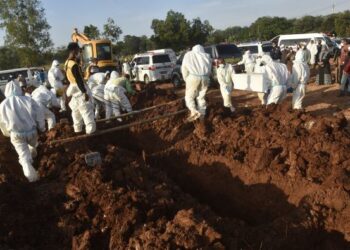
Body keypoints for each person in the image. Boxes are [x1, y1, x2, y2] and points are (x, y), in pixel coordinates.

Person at [0, 81, 45, 182]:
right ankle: (34, 157)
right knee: (33, 146)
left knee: (23, 157)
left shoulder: (2, 105)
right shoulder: (29, 100)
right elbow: (39, 114)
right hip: (32, 132)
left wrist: (7, 134)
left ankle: (32, 178)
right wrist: (42, 128)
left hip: (16, 134)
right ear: (19, 89)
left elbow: (2, 123)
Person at [65, 42, 96, 134]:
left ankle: (78, 132)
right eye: (78, 50)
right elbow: (78, 80)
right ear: (74, 50)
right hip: (79, 90)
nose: (79, 52)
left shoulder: (67, 63)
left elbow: (70, 79)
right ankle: (91, 134)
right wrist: (84, 92)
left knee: (76, 114)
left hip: (73, 90)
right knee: (87, 113)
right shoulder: (73, 64)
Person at [181, 44, 212, 121]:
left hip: (193, 77)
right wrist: (207, 77)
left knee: (189, 97)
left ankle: (193, 111)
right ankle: (202, 116)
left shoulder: (188, 55)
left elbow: (184, 68)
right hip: (205, 78)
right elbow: (210, 69)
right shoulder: (207, 56)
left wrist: (186, 79)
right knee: (201, 97)